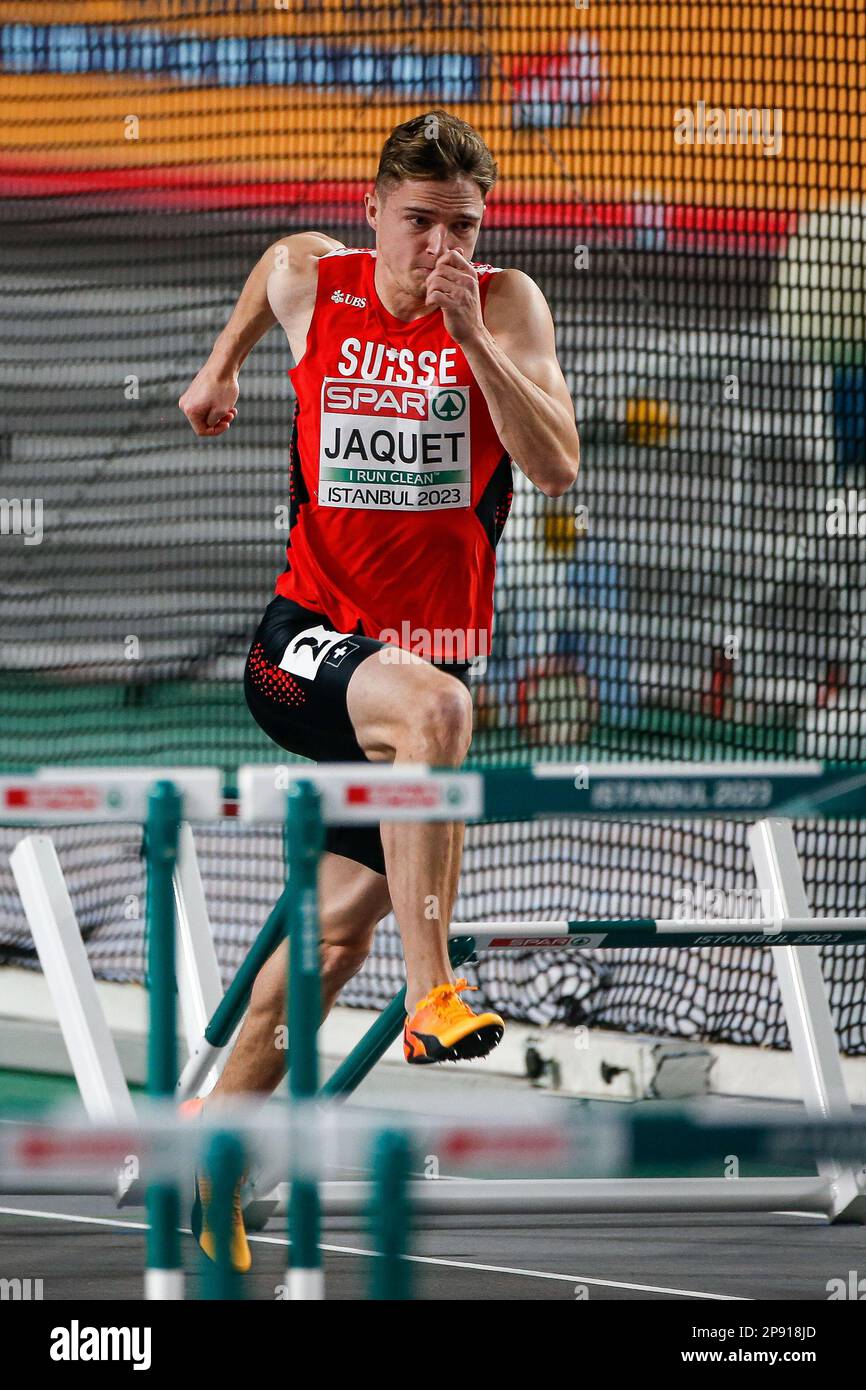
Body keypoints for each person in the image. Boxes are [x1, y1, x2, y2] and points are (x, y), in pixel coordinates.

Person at [178, 109, 580, 1269]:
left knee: (323, 945)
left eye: (461, 226)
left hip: (420, 673)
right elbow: (269, 272)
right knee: (441, 712)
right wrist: (219, 369)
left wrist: (474, 338)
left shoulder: (503, 304)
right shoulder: (318, 275)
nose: (438, 247)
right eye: (417, 224)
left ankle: (212, 1149)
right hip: (302, 646)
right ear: (372, 214)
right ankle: (433, 994)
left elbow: (553, 465)